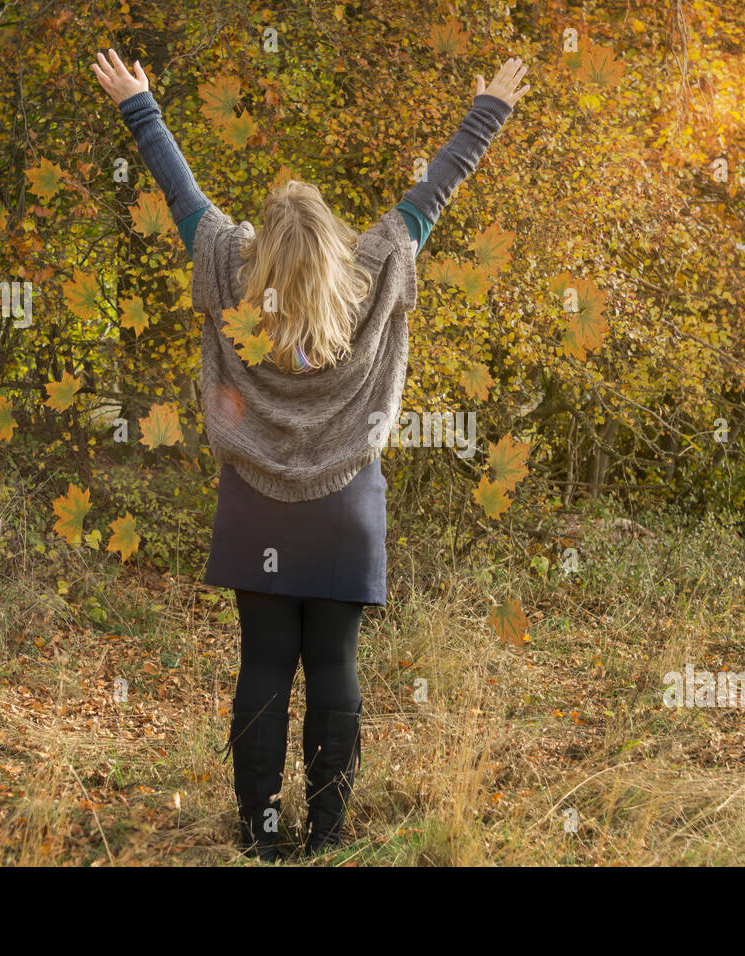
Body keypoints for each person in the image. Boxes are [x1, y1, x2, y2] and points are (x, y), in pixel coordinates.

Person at [92, 48, 529, 860]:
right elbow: (435, 191)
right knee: (333, 662)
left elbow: (179, 192)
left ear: (263, 251)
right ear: (332, 242)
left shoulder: (227, 266)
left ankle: (261, 838)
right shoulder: (370, 272)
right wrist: (487, 111)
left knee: (263, 662)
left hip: (255, 498)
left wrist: (141, 105)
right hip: (344, 505)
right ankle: (326, 837)